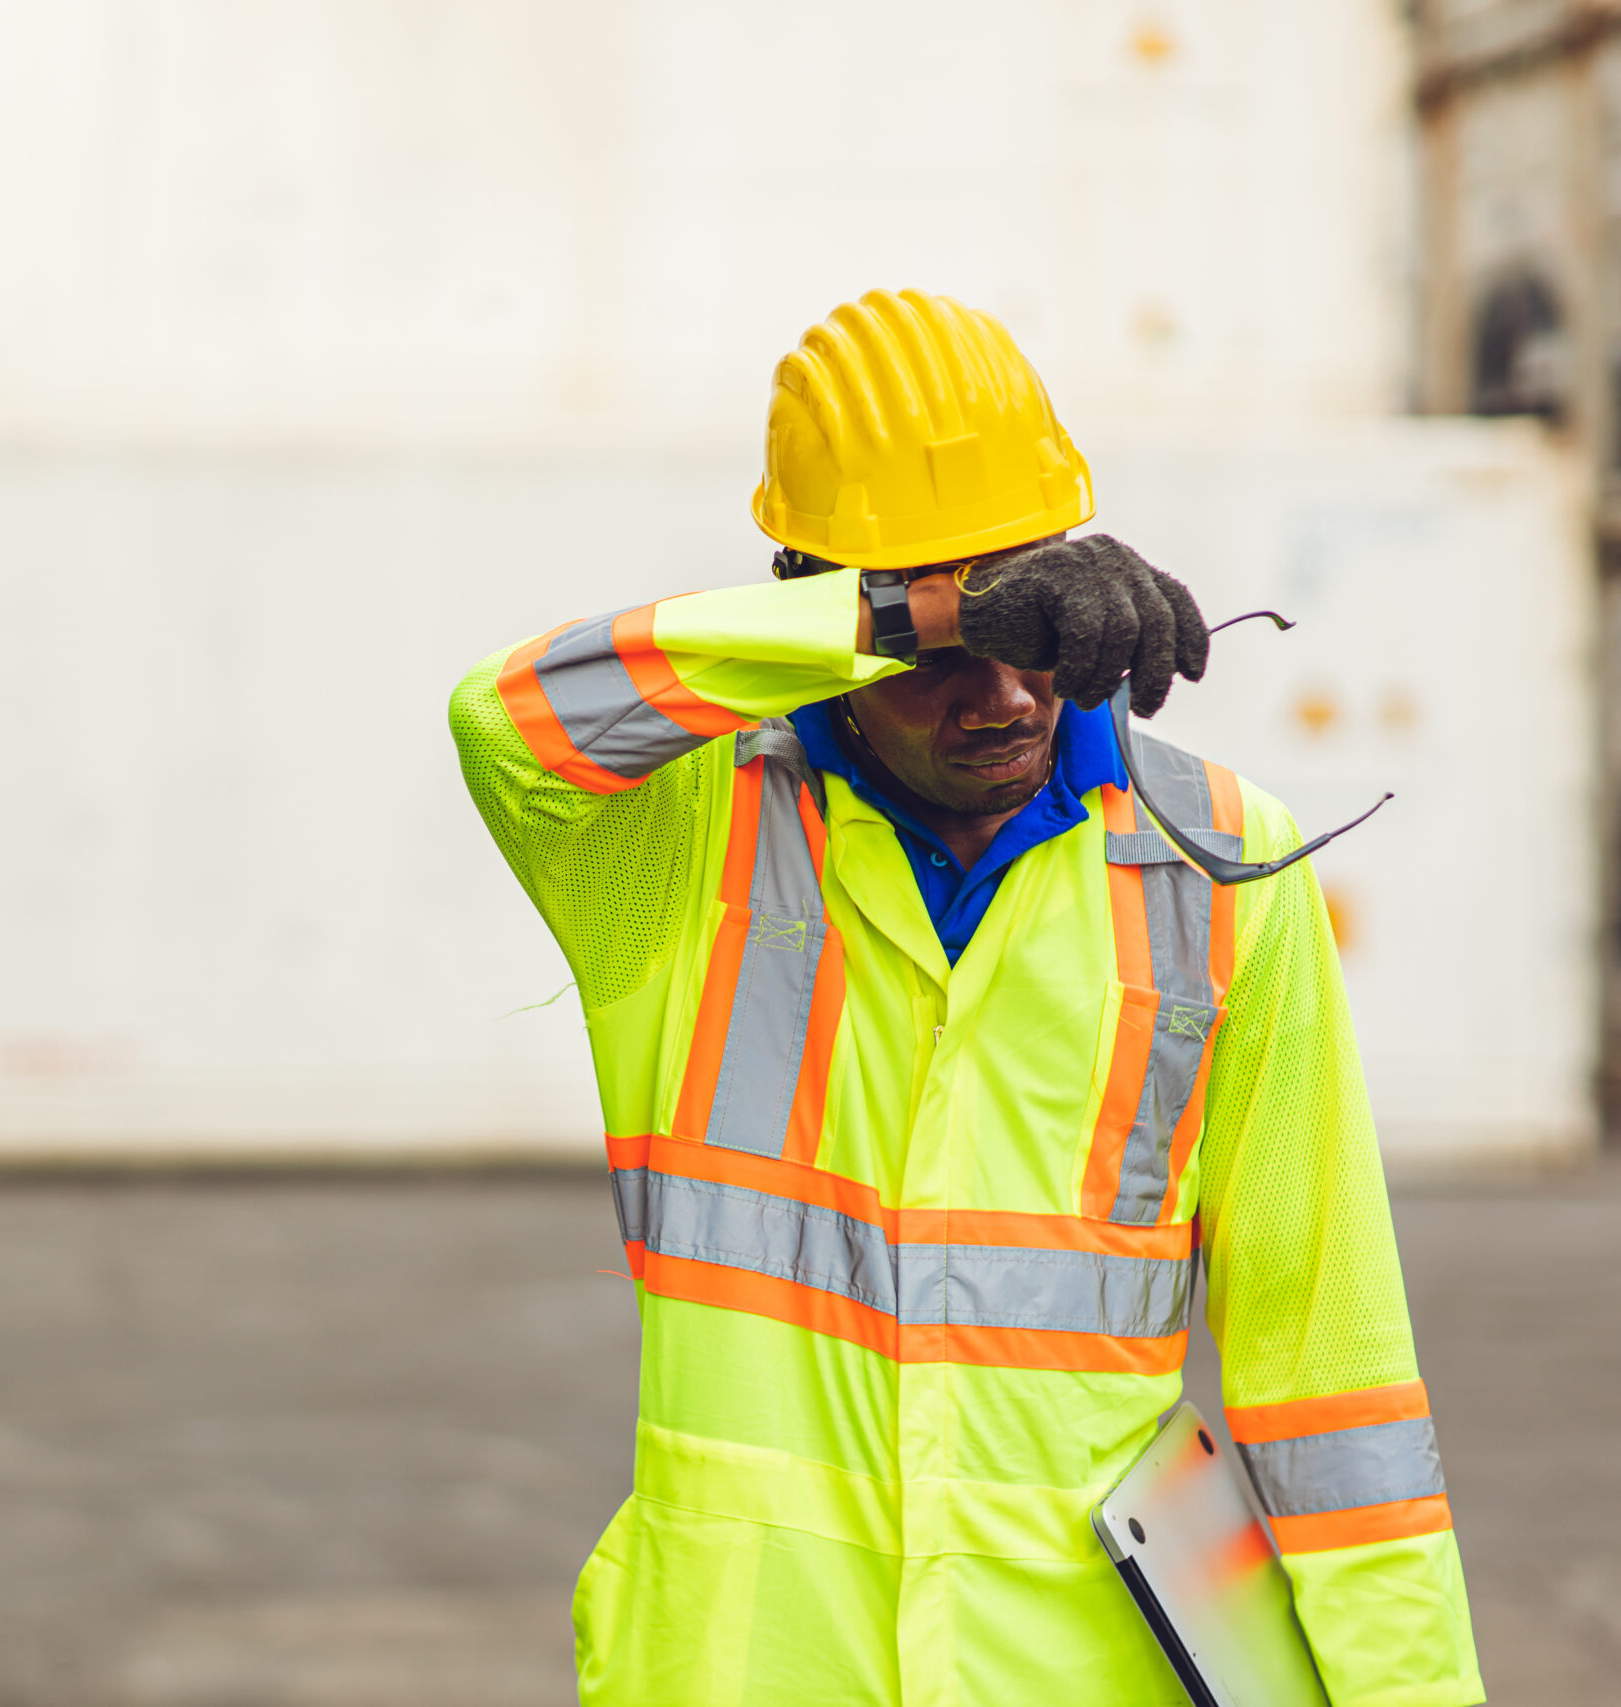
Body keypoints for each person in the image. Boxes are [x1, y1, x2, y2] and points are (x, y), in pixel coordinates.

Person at [448, 289, 1482, 1706]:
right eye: (943, 650)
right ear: (828, 607)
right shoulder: (687, 838)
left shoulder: (1224, 868)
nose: (999, 693)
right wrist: (904, 609)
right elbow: (504, 723)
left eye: (1033, 622)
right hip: (756, 1667)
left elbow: (1335, 1378)